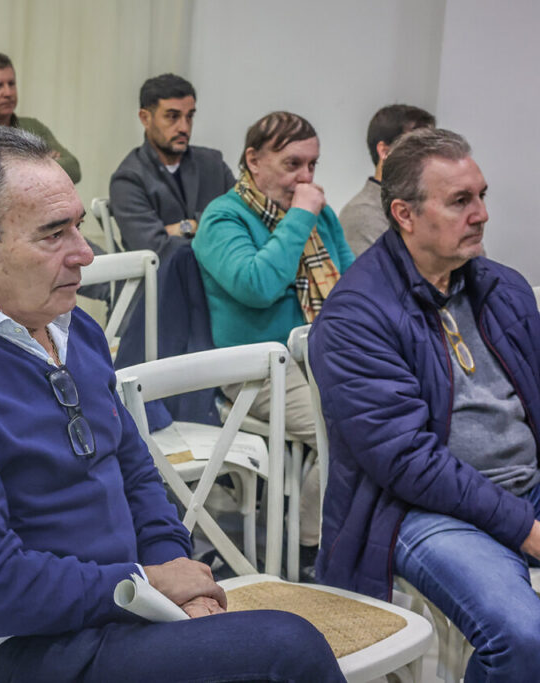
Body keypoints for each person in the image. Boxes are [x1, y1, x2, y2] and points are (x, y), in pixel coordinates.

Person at [0, 126, 343, 683]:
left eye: (78, 225)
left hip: (111, 613)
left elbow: (135, 470)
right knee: (285, 649)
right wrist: (146, 586)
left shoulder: (67, 326)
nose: (85, 253)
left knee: (271, 645)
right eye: (53, 234)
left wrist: (174, 568)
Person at [311, 127, 540, 681]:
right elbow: (411, 464)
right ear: (405, 214)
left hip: (523, 488)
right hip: (415, 512)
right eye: (461, 201)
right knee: (525, 637)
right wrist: (527, 528)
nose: (481, 214)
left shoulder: (501, 287)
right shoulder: (354, 318)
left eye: (481, 195)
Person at [194, 111, 354, 573]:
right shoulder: (224, 217)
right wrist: (302, 215)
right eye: (292, 165)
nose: (305, 179)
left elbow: (349, 284)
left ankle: (350, 536)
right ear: (253, 160)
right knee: (348, 426)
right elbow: (257, 285)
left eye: (313, 166)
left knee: (391, 411)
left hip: (320, 358)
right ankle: (307, 548)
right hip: (258, 374)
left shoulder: (316, 216)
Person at [109, 73, 234, 262]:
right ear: (145, 118)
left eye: (189, 116)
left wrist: (187, 227)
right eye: (172, 117)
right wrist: (213, 230)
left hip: (221, 277)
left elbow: (244, 219)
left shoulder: (212, 163)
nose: (184, 127)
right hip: (166, 285)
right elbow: (154, 250)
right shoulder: (128, 179)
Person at [0, 51, 80, 184]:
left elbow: (73, 169)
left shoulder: (33, 127)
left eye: (11, 84)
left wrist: (14, 166)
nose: (8, 93)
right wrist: (43, 161)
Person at [339, 104, 435, 256]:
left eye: (432, 148)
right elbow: (372, 278)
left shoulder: (428, 205)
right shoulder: (363, 214)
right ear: (385, 151)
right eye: (417, 147)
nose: (429, 157)